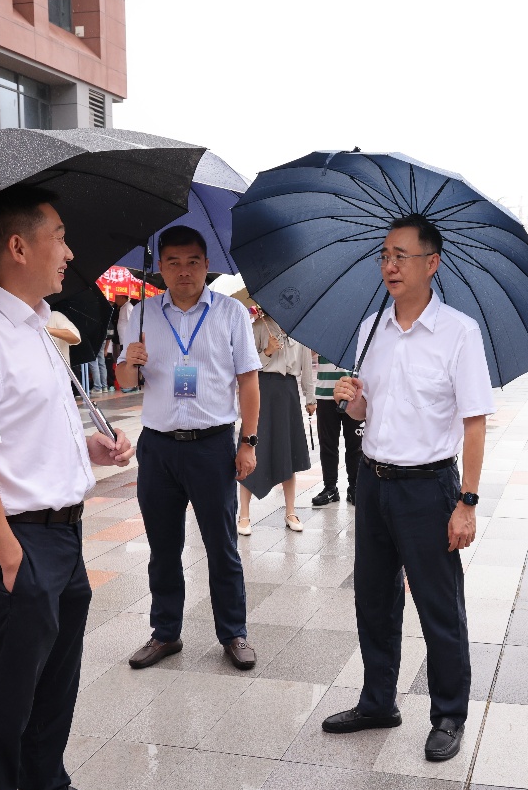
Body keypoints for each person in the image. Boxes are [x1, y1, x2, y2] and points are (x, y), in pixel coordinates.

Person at [0, 185, 133, 790]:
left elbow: (26, 433)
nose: (69, 253)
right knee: (3, 701)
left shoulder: (39, 325)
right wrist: (13, 560)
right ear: (19, 247)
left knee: (54, 682)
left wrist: (91, 450)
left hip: (62, 535)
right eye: (60, 238)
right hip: (15, 542)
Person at [324, 214, 494, 763]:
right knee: (373, 599)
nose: (390, 265)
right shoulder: (371, 329)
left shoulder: (458, 333)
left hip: (428, 488)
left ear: (431, 263)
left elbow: (474, 421)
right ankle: (378, 701)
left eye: (401, 255)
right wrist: (350, 399)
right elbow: (365, 412)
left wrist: (467, 502)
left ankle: (449, 714)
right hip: (373, 482)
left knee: (438, 604)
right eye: (385, 256)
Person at [117, 225, 262, 672]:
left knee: (222, 546)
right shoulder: (142, 315)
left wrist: (248, 442)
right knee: (163, 548)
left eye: (193, 262)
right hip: (158, 448)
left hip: (212, 446)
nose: (184, 271)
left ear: (206, 265)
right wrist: (129, 362)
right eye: (174, 262)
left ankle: (233, 632)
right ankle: (165, 633)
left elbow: (248, 382)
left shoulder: (231, 314)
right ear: (160, 267)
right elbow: (124, 382)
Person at [237, 310, 314, 535]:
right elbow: (246, 366)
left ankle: (290, 511)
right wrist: (267, 352)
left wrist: (310, 397)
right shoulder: (258, 327)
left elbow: (306, 366)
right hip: (261, 389)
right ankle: (244, 514)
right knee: (252, 447)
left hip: (288, 392)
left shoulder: (299, 329)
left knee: (287, 451)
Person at [311, 354, 363, 507]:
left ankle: (354, 486)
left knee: (355, 445)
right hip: (325, 393)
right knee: (327, 443)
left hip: (352, 393)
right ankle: (330, 488)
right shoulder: (324, 337)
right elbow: (309, 354)